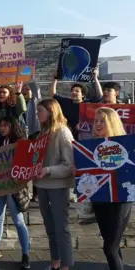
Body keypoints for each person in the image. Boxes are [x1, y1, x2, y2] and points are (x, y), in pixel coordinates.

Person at [34, 98, 74, 270]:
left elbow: (69, 165)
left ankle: (66, 264)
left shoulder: (63, 132)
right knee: (50, 227)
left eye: (40, 110)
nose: (37, 114)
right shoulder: (41, 133)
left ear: (51, 111)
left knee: (61, 227)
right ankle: (55, 262)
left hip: (58, 186)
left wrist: (48, 170)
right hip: (41, 185)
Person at [90, 107, 132, 270]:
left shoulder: (126, 144)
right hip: (100, 199)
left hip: (121, 199)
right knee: (112, 246)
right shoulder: (89, 146)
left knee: (109, 248)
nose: (98, 124)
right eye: (96, 120)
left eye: (102, 121)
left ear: (112, 122)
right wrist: (78, 170)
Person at [0, 116, 30, 269]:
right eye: (1, 125)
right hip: (0, 186)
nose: (2, 128)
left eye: (5, 125)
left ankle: (26, 255)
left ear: (12, 126)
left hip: (14, 188)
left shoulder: (20, 142)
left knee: (18, 221)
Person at [49, 68, 102, 138]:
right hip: (67, 134)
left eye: (77, 91)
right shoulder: (66, 102)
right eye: (72, 91)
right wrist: (54, 78)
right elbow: (52, 94)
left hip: (84, 135)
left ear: (83, 95)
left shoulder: (86, 104)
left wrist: (95, 78)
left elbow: (99, 96)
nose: (74, 92)